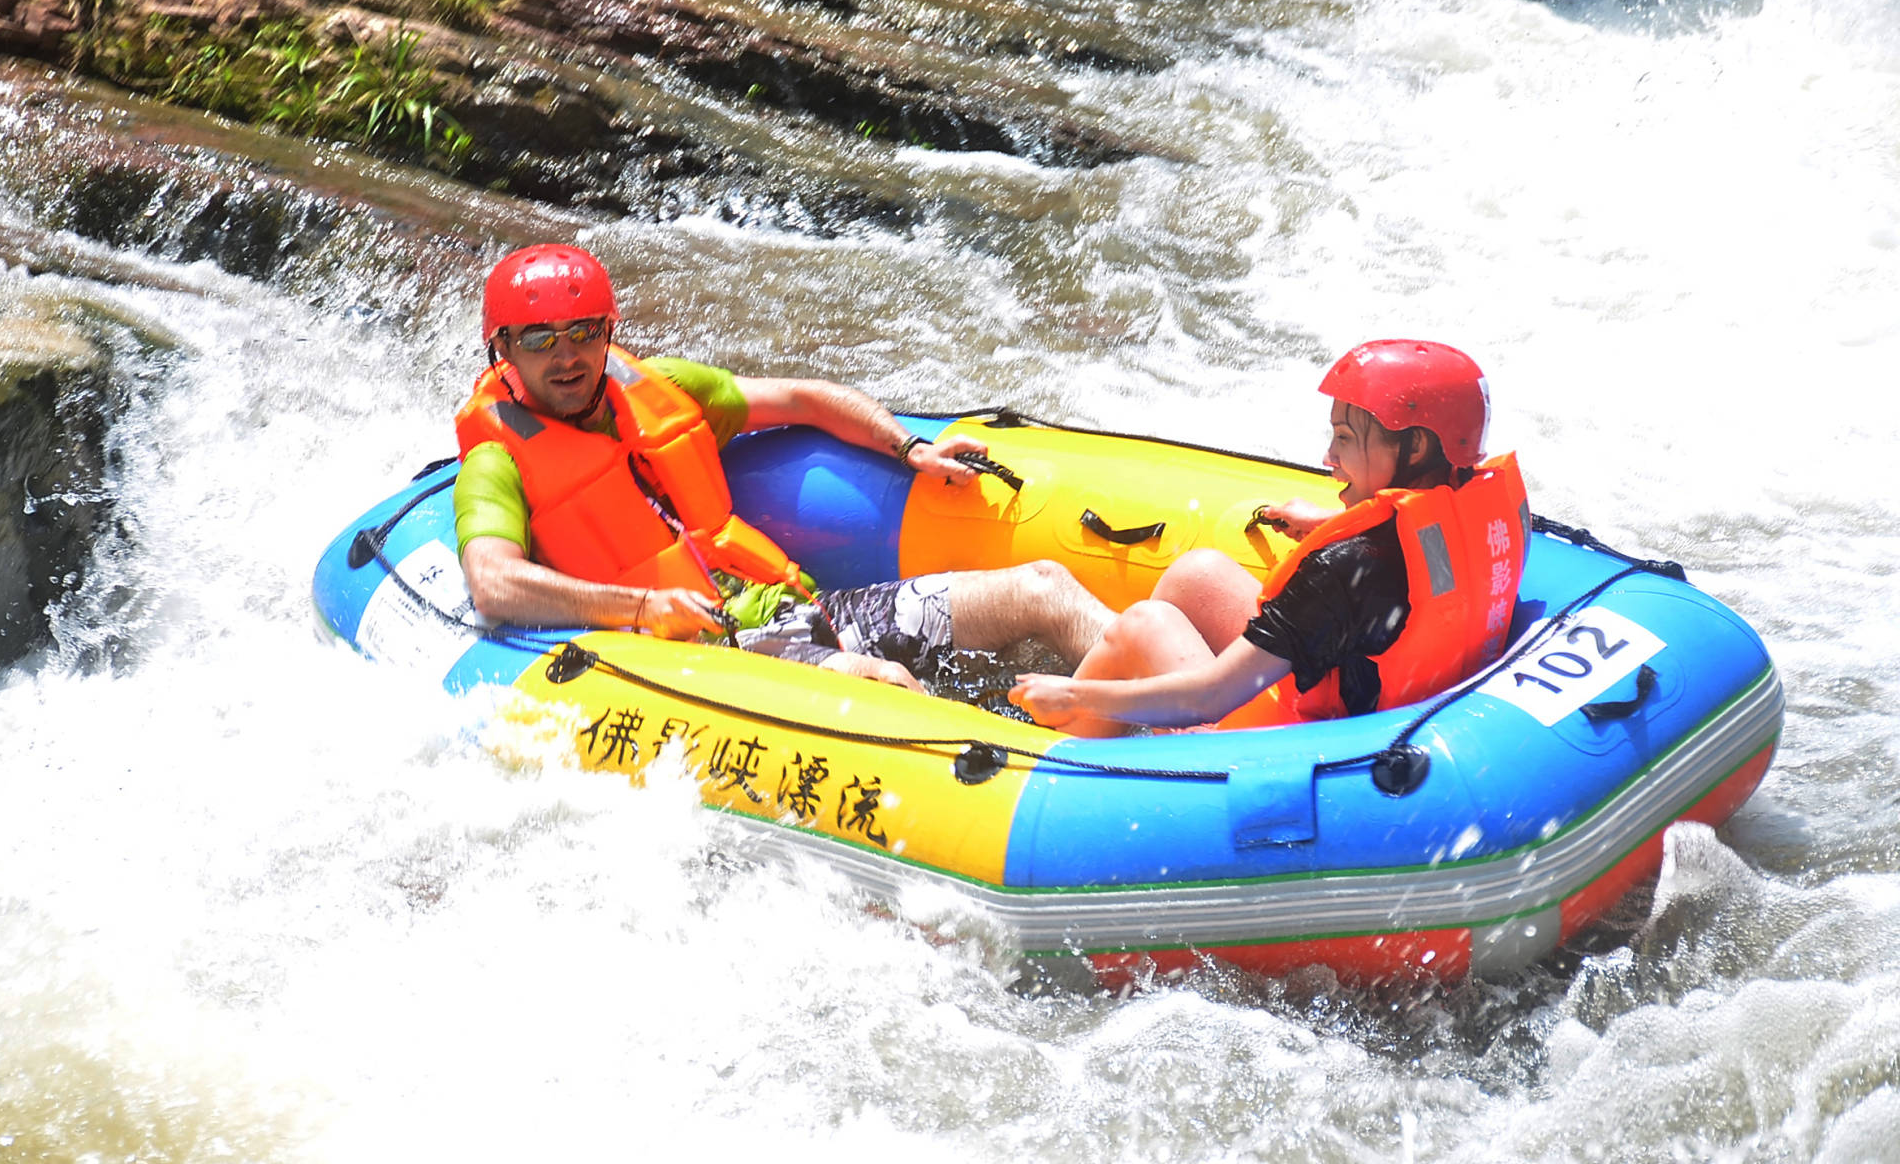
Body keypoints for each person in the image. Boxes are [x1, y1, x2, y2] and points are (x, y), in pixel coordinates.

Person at [453, 243, 1113, 689]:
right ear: (502, 347)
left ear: (608, 330)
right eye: (539, 338)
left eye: (584, 331)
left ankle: (1178, 719)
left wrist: (910, 448)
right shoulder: (495, 460)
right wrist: (643, 606)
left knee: (1044, 586)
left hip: (804, 608)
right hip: (711, 658)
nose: (566, 355)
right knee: (885, 684)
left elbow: (804, 398)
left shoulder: (665, 390)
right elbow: (495, 584)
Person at [1010, 340, 1527, 736]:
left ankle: (1050, 757)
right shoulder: (1485, 510)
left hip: (1279, 753)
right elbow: (1417, 567)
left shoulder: (1342, 570)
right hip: (1379, 706)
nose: (1330, 458)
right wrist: (1332, 522)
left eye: (1346, 439)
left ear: (1414, 445)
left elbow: (1209, 699)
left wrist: (1079, 695)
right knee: (1199, 575)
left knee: (1144, 626)